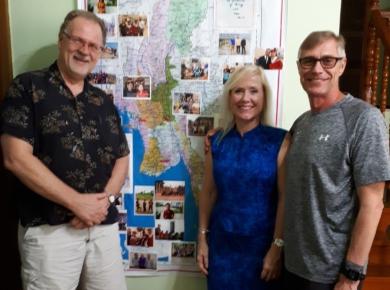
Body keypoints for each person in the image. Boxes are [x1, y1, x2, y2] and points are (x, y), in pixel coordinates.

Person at [0, 10, 129, 290]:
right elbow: (15, 158)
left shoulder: (102, 101)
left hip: (102, 229)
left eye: (94, 45)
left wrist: (103, 204)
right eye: (77, 41)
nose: (85, 51)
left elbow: (122, 157)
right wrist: (77, 203)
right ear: (61, 40)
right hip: (50, 232)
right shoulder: (27, 88)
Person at [283, 31, 390, 290]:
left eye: (327, 60)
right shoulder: (302, 122)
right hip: (293, 266)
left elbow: (373, 204)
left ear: (341, 65)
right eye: (308, 61)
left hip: (332, 276)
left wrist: (351, 275)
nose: (317, 68)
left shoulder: (364, 119)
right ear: (299, 69)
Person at [197, 65, 289, 290]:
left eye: (253, 91)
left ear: (264, 96)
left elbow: (286, 198)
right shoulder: (217, 141)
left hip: (262, 250)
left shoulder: (280, 141)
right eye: (238, 91)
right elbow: (209, 192)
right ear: (230, 97)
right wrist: (201, 240)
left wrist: (277, 247)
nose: (245, 98)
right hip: (221, 248)